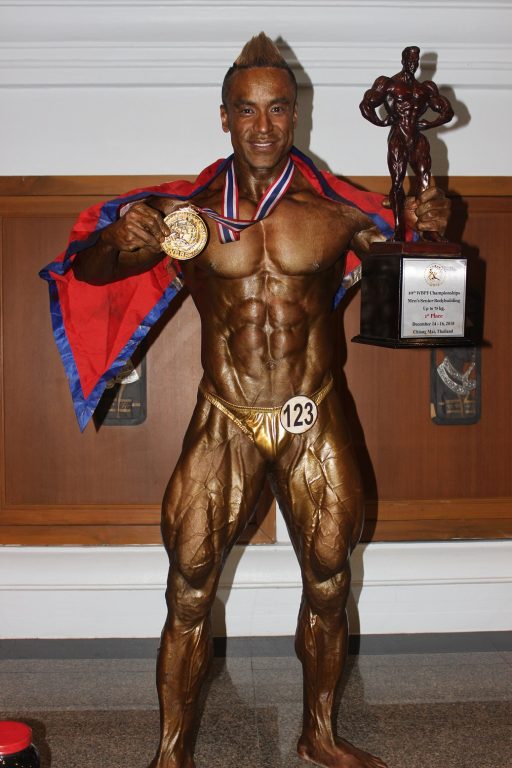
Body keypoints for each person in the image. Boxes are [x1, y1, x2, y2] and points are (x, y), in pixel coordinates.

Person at [43, 34, 450, 768]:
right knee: (188, 590)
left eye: (278, 108)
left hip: (312, 414)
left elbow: (411, 259)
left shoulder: (338, 214)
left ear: (297, 114)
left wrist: (429, 224)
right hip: (225, 416)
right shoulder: (186, 217)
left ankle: (319, 733)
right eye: (248, 110)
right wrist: (119, 236)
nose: (264, 125)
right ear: (225, 116)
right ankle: (171, 754)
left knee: (329, 582)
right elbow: (97, 271)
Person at [360, 45, 454, 241]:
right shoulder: (389, 83)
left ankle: (430, 231)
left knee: (425, 182)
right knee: (397, 183)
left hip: (417, 137)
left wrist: (430, 123)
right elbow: (366, 104)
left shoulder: (425, 88)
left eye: (416, 60)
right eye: (410, 60)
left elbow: (447, 112)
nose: (413, 63)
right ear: (403, 60)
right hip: (399, 136)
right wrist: (380, 121)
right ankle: (398, 230)